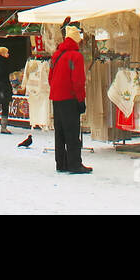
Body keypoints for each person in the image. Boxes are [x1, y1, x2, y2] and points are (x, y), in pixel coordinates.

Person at [49, 23, 90, 173]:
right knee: (72, 132)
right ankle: (74, 164)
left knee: (59, 133)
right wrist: (81, 100)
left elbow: (50, 77)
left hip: (57, 98)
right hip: (69, 98)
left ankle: (61, 163)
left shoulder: (56, 55)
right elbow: (78, 81)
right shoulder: (76, 56)